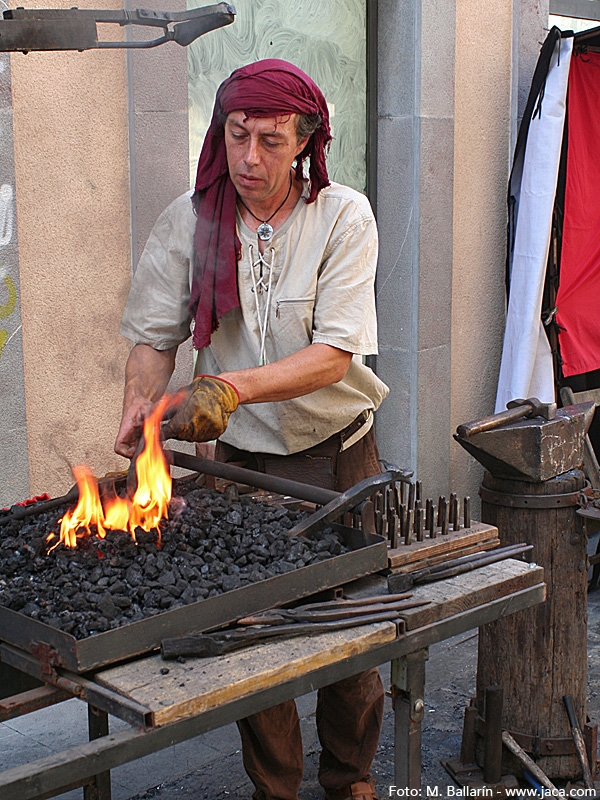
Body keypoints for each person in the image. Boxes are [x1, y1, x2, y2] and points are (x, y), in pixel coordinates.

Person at [116, 59, 389, 800]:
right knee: (257, 641)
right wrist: (140, 409)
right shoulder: (193, 219)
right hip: (242, 463)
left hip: (338, 457)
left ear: (305, 140)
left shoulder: (343, 216)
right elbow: (153, 335)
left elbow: (334, 355)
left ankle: (351, 776)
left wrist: (226, 386)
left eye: (271, 140)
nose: (249, 159)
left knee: (353, 631)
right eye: (237, 136)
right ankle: (277, 788)